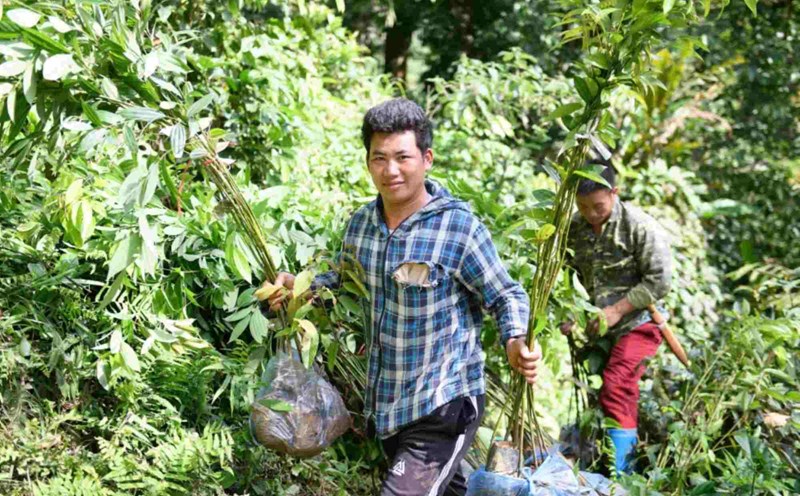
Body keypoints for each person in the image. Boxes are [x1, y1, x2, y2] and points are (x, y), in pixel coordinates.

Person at [262, 98, 541, 496]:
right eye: (380, 158)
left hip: (445, 403)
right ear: (368, 161)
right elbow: (344, 285)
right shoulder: (361, 225)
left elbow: (506, 293)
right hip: (389, 406)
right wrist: (297, 289)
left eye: (402, 157)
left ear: (426, 159)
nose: (391, 170)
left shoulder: (458, 228)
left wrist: (516, 340)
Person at [562, 161, 672, 474]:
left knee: (617, 386)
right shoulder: (574, 227)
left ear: (615, 193)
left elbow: (660, 280)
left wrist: (616, 310)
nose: (591, 214)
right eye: (583, 207)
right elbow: (568, 273)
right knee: (602, 395)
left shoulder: (639, 226)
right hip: (600, 327)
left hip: (640, 323)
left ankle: (623, 480)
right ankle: (607, 464)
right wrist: (570, 310)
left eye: (598, 206)